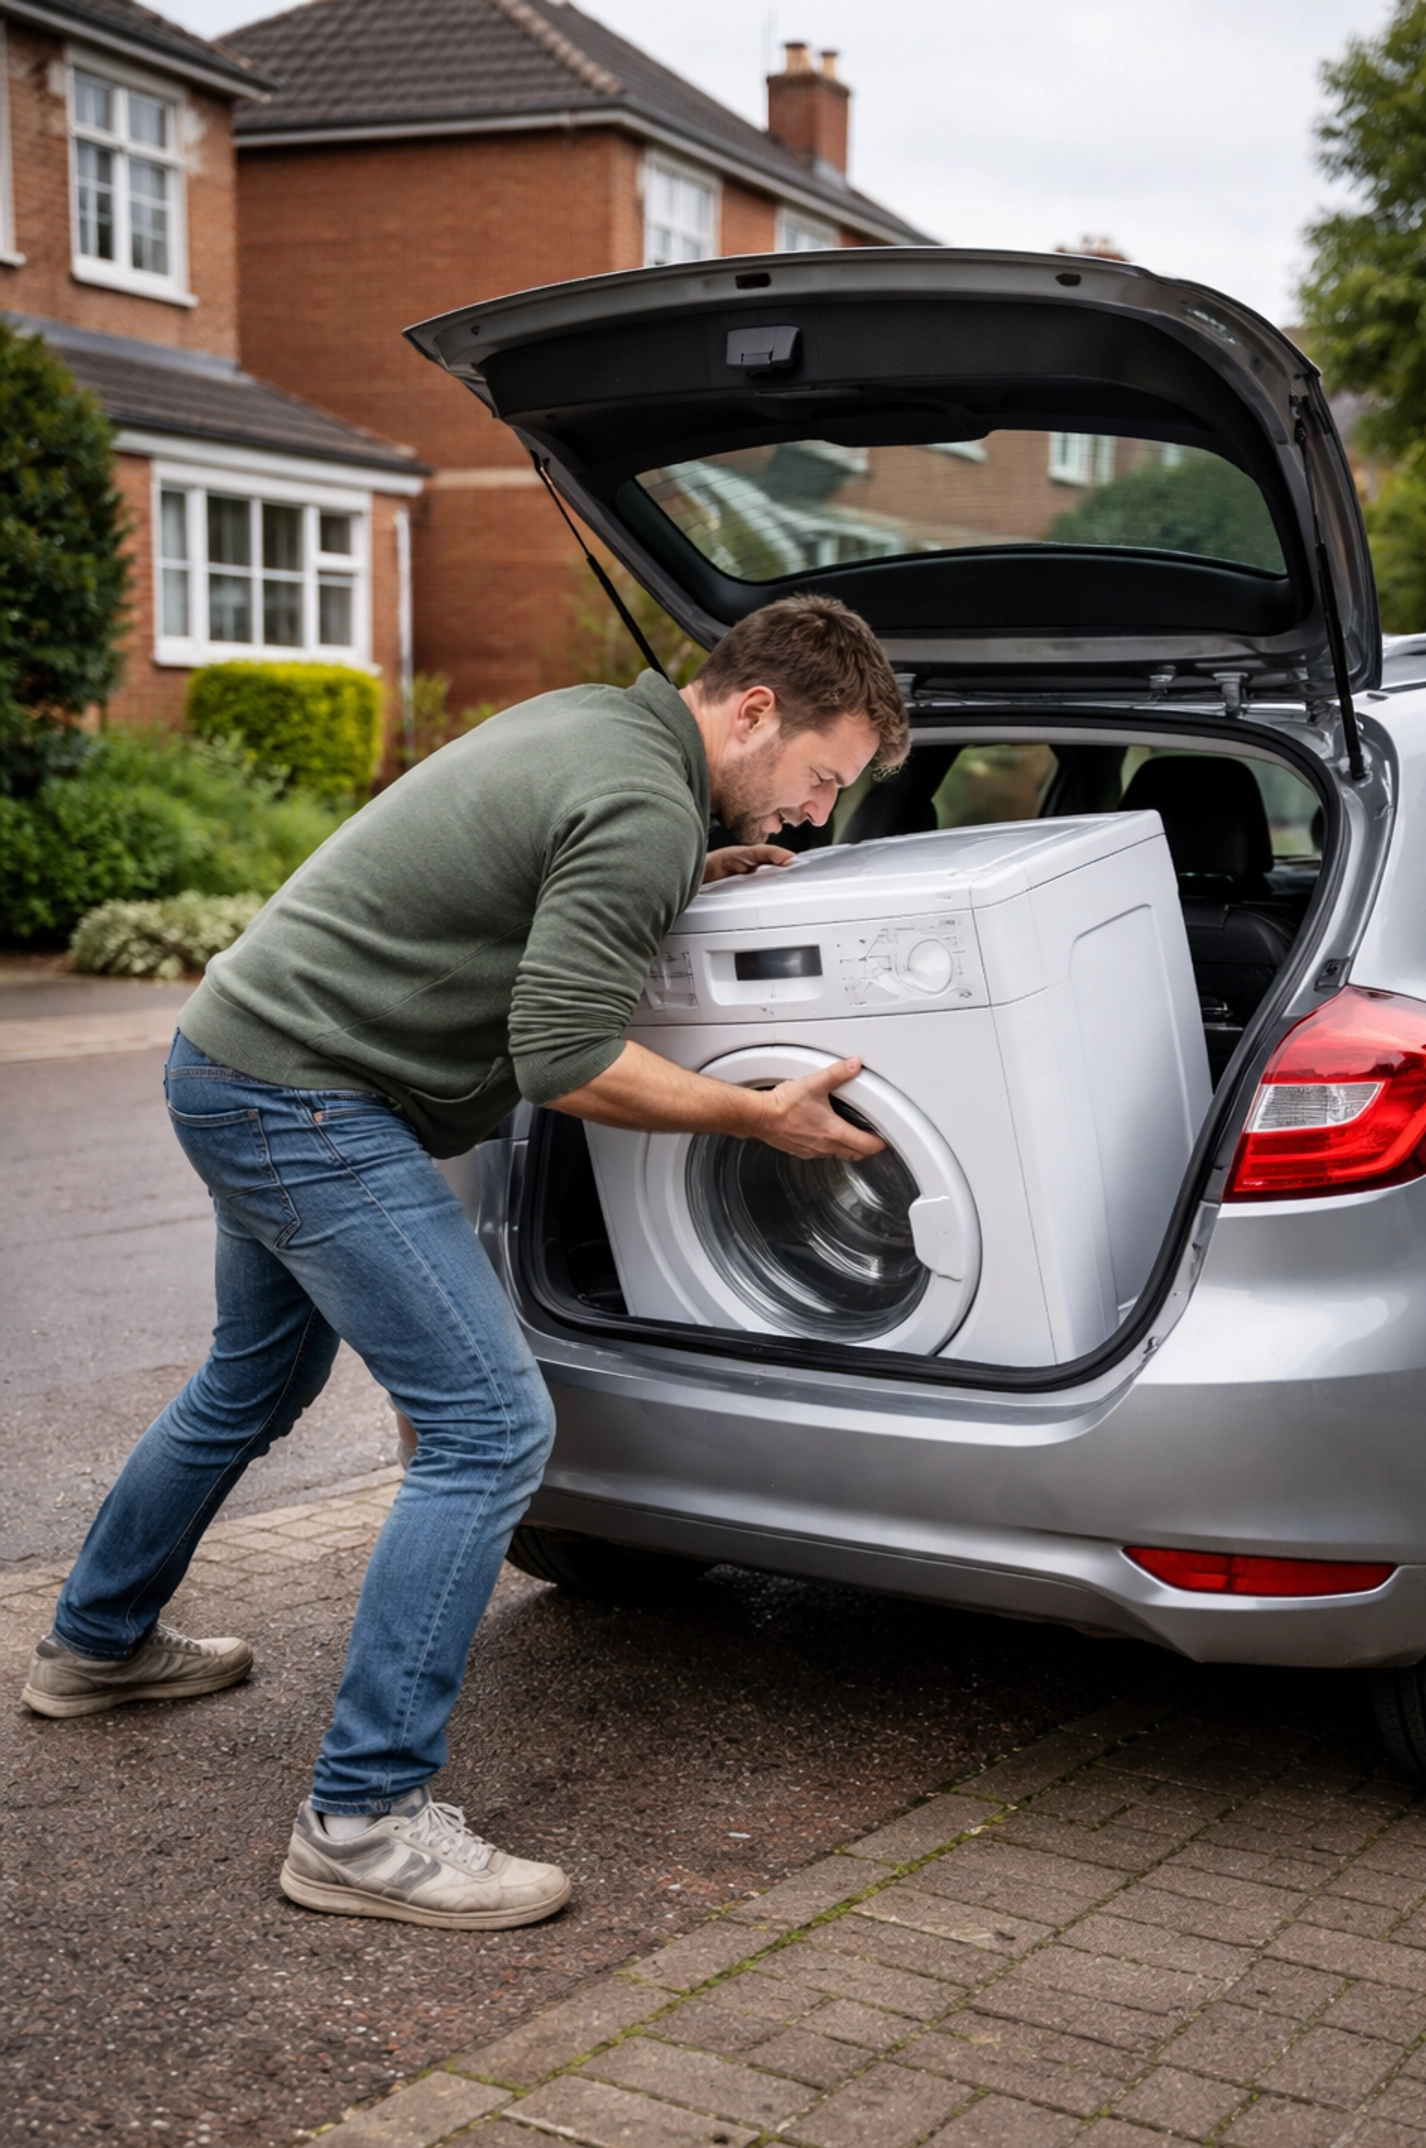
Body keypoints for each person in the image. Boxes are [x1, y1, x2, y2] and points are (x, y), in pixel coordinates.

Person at [21, 593, 910, 1930]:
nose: (812, 812)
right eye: (819, 777)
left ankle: (95, 1646)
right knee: (491, 1429)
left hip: (236, 1056)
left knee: (250, 1386)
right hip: (310, 1102)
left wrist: (688, 867)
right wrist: (756, 1116)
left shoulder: (604, 736)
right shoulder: (639, 807)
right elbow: (566, 1059)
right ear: (755, 712)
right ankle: (364, 1822)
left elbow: (550, 873)